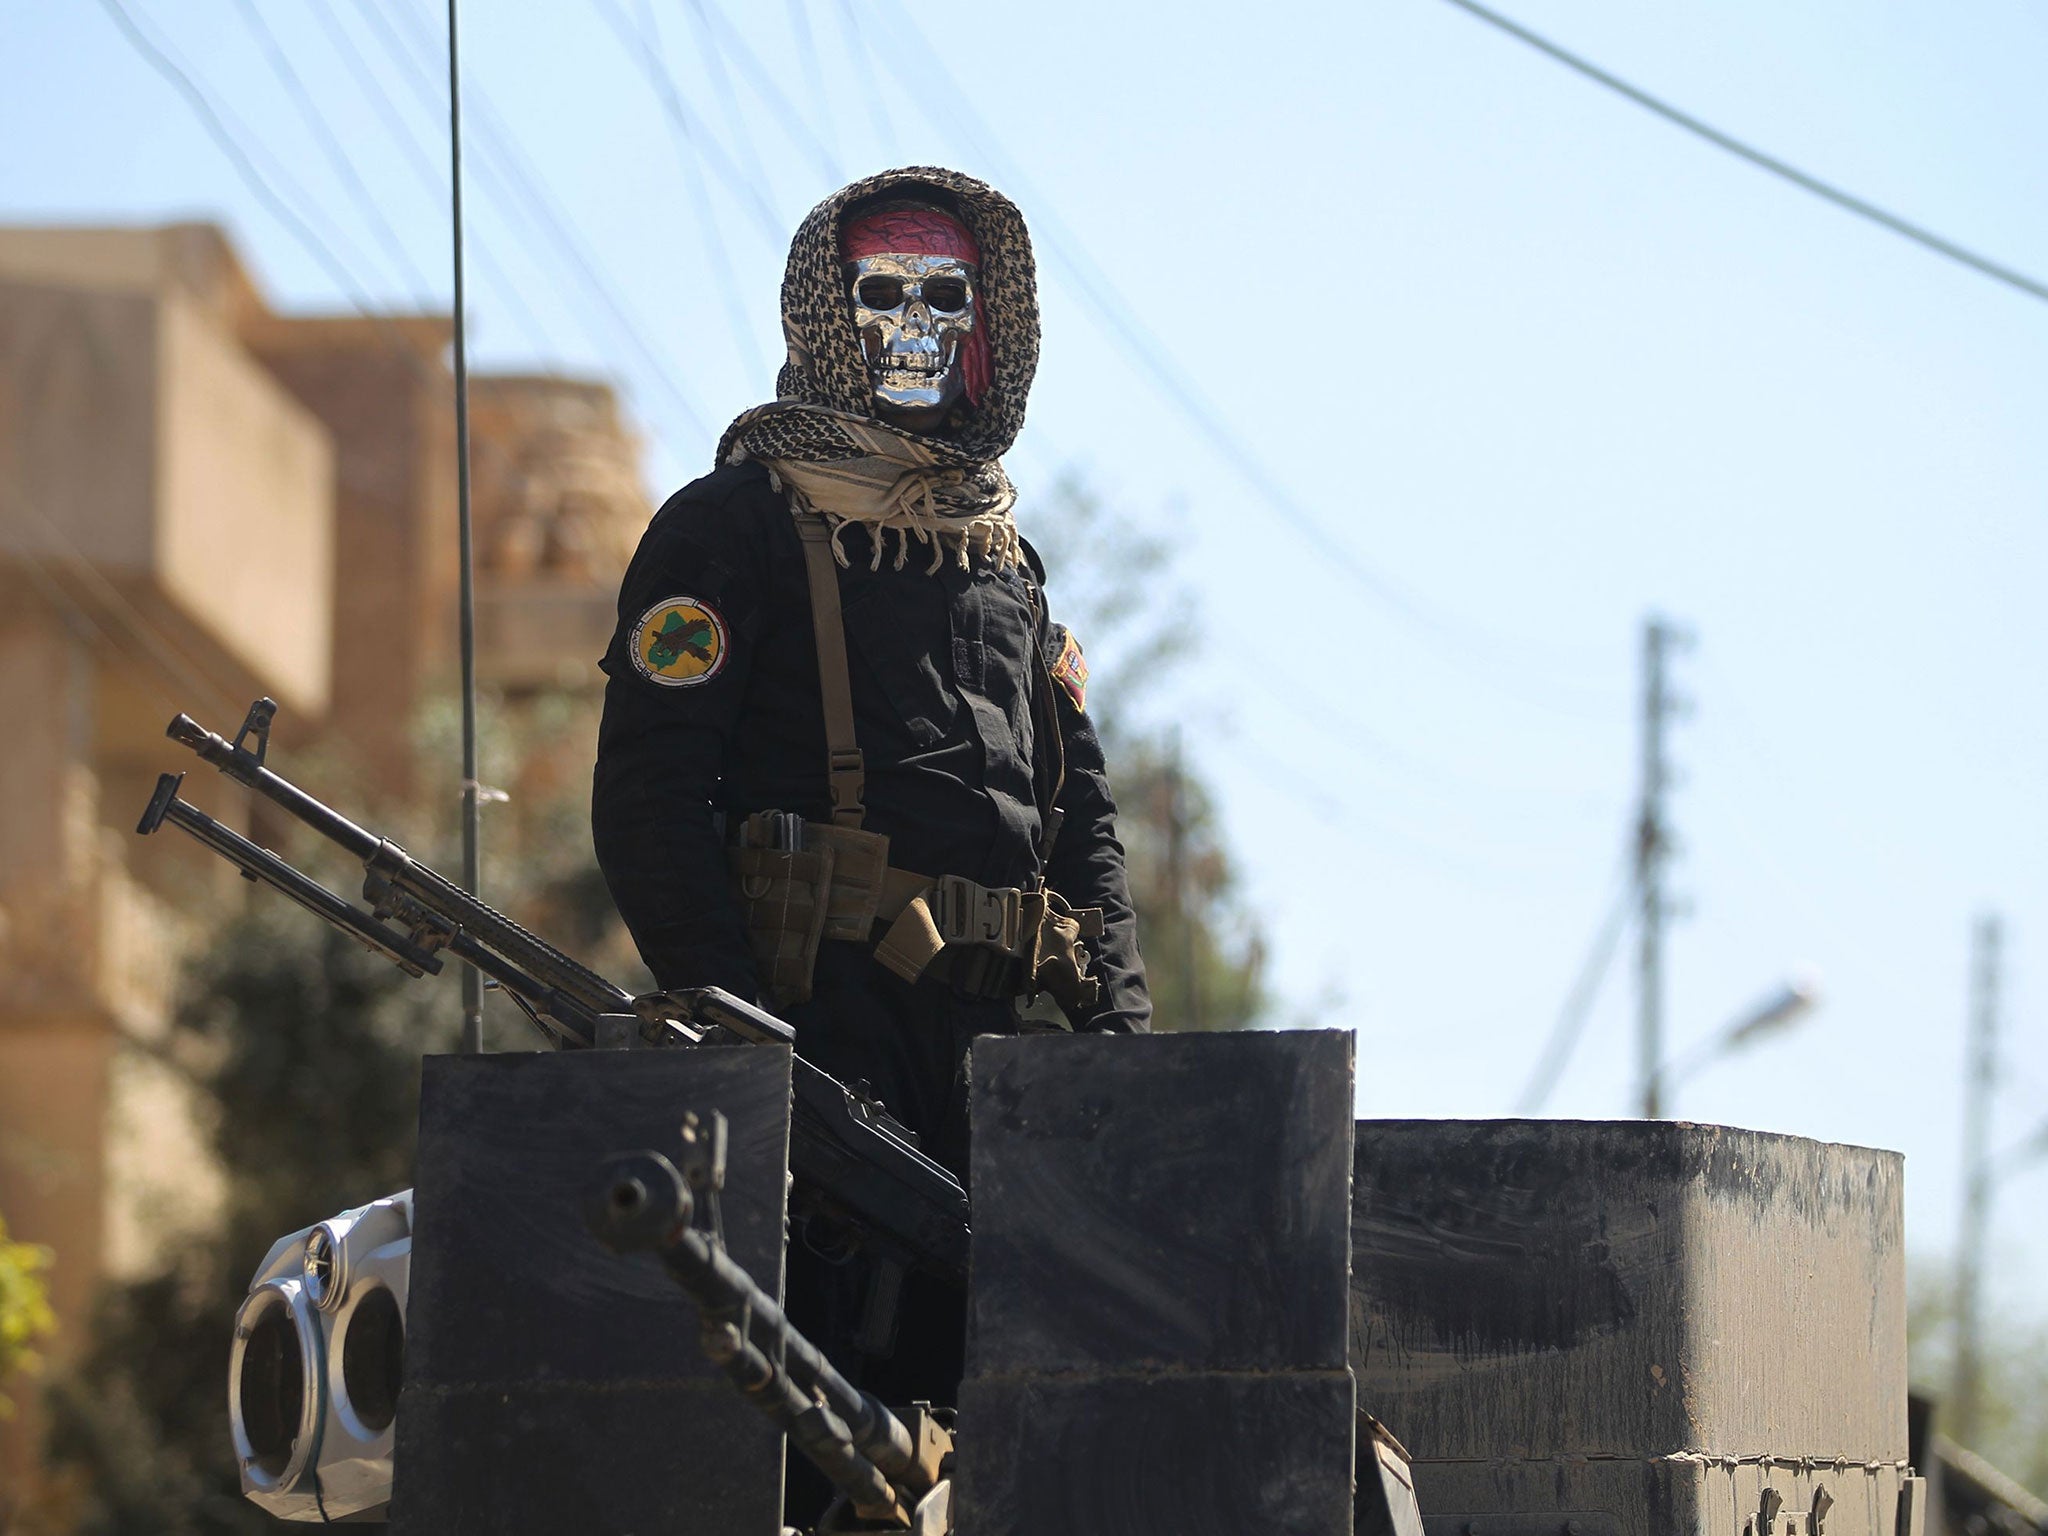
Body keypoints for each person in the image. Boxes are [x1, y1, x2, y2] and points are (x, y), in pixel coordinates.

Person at [590, 165, 1150, 1446]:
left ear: (986, 329)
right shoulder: (731, 528)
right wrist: (747, 1052)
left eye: (944, 296)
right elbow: (647, 806)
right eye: (880, 293)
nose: (913, 325)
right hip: (816, 1036)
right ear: (825, 318)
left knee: (1018, 1441)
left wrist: (1125, 1063)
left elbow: (1088, 835)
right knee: (820, 1442)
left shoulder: (1003, 559)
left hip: (994, 1069)